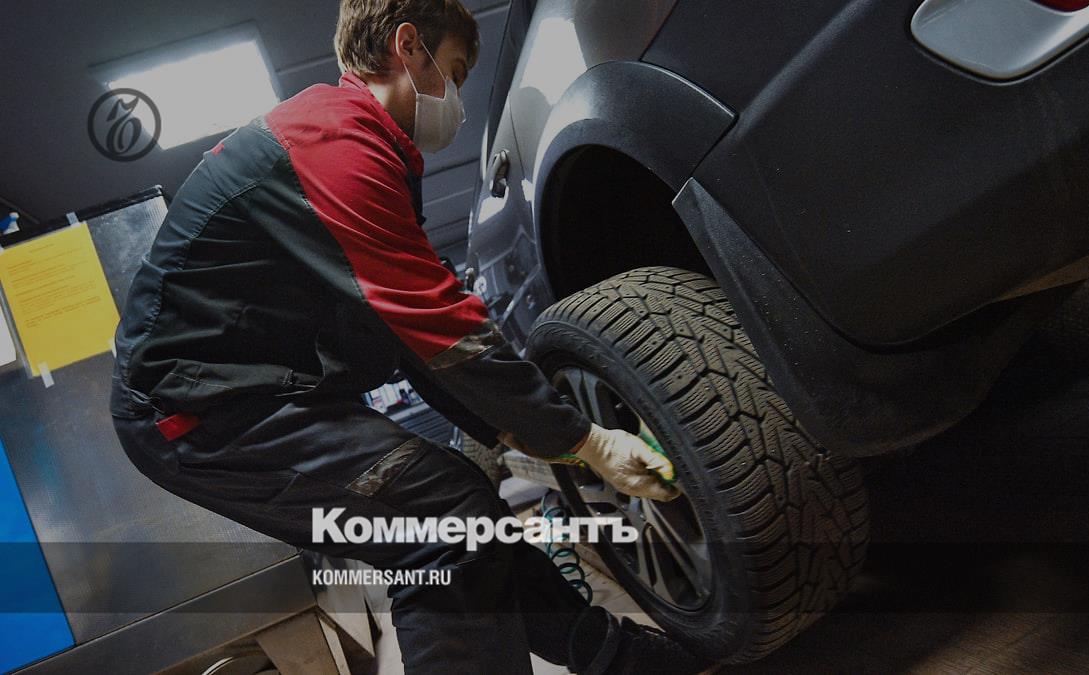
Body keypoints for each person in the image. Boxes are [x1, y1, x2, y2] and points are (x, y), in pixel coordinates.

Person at [109, 1, 710, 673]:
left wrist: (526, 434)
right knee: (442, 520)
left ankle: (615, 657)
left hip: (247, 393)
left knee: (460, 510)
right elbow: (439, 327)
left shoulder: (360, 150)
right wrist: (583, 439)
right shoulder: (334, 146)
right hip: (195, 410)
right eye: (454, 71)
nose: (457, 101)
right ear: (408, 47)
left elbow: (411, 343)